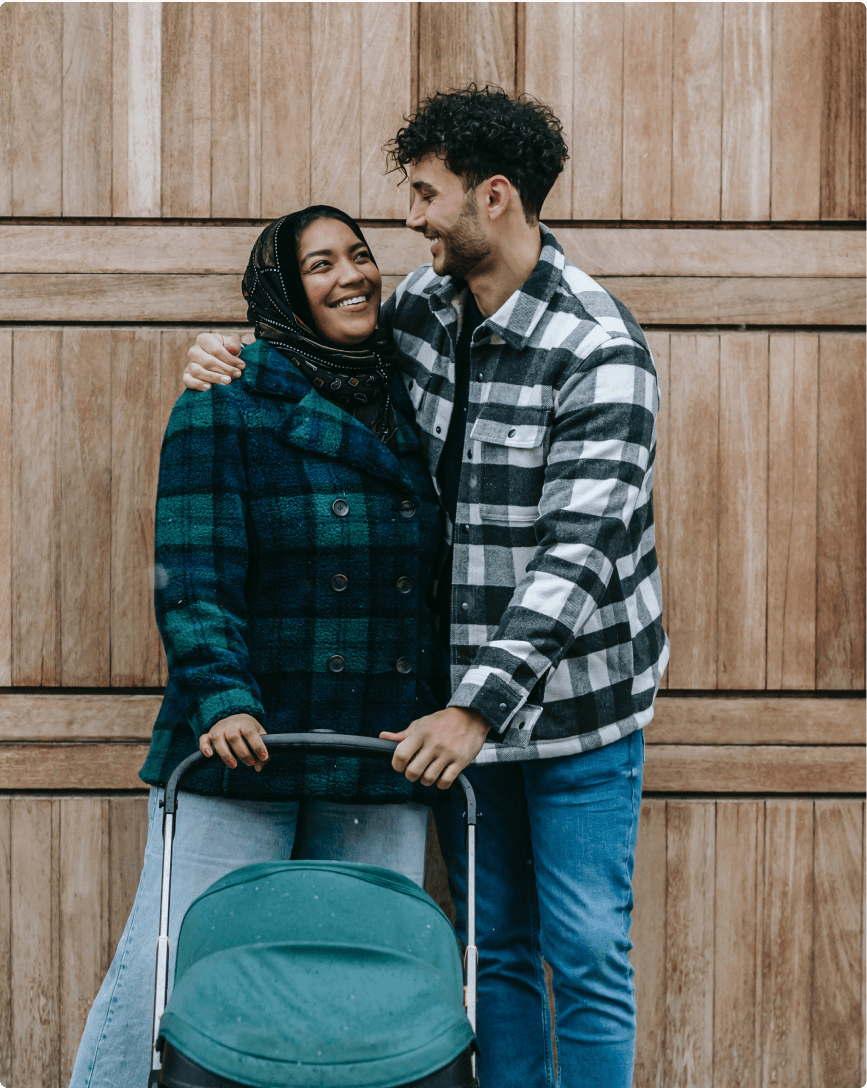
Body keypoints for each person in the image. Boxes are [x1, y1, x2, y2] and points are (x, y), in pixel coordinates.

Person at [185, 86, 668, 1088]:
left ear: (494, 198)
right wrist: (224, 352)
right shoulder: (422, 309)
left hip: (574, 716)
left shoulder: (600, 349)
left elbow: (574, 557)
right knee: (492, 947)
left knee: (584, 951)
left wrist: (472, 712)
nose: (406, 220)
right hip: (461, 717)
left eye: (423, 194)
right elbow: (316, 353)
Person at [68, 207, 448, 1088]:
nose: (352, 275)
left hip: (374, 746)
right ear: (283, 288)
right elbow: (192, 572)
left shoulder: (412, 399)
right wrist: (221, 696)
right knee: (170, 964)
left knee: (364, 984)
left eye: (360, 255)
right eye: (321, 264)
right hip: (244, 741)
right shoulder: (226, 400)